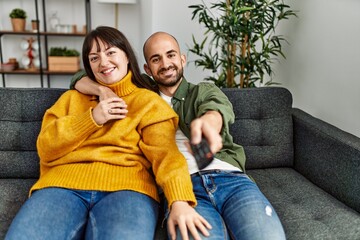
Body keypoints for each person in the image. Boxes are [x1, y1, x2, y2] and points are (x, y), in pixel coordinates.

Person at [70, 31, 286, 240]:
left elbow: (217, 108)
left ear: (182, 59)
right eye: (156, 59)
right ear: (147, 68)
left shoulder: (202, 91)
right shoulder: (142, 92)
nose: (165, 64)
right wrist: (103, 91)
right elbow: (79, 76)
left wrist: (208, 123)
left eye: (171, 55)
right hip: (183, 189)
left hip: (232, 180)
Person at [5, 27, 212, 240]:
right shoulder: (70, 99)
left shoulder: (149, 103)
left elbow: (166, 155)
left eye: (111, 52)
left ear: (127, 56)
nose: (103, 62)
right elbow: (46, 148)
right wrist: (92, 118)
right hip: (60, 187)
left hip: (128, 190)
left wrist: (180, 201)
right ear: (89, 66)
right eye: (94, 57)